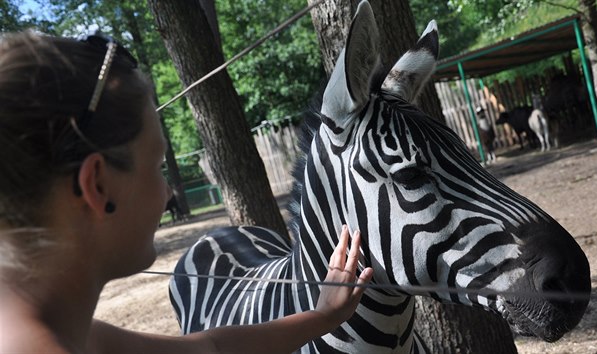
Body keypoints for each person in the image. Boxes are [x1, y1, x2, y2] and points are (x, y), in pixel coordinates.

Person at [0, 32, 373, 354]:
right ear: (97, 185)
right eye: (158, 165)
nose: (167, 193)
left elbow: (210, 347)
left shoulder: (64, 331)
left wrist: (323, 316)